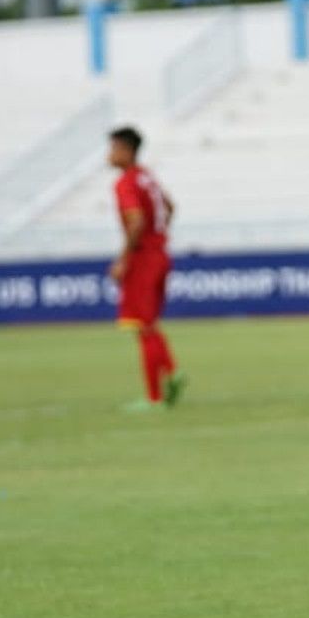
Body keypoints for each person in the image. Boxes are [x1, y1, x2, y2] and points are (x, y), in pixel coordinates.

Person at [107, 127, 187, 409]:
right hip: (160, 253)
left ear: (127, 151)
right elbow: (170, 207)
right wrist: (158, 237)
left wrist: (123, 259)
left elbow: (137, 221)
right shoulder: (147, 176)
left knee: (142, 326)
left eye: (114, 148)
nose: (110, 154)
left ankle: (154, 397)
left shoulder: (126, 182)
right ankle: (172, 371)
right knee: (149, 323)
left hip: (143, 258)